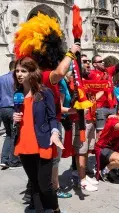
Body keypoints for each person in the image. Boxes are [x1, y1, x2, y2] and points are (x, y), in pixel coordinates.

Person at [13, 13, 81, 201]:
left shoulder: (35, 77)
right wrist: (71, 52)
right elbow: (60, 72)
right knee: (49, 161)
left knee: (38, 162)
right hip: (47, 127)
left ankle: (32, 194)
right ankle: (49, 194)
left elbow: (55, 105)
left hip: (40, 123)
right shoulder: (44, 76)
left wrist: (70, 110)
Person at [12, 57, 64, 213]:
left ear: (32, 72)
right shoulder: (18, 94)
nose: (19, 74)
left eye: (23, 71)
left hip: (43, 142)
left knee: (44, 184)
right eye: (17, 71)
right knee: (34, 183)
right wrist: (15, 118)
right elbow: (19, 116)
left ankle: (55, 209)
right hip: (24, 143)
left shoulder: (44, 92)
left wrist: (55, 133)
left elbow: (52, 117)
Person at [0, 61, 22, 169]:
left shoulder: (1, 78)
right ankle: (13, 160)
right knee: (15, 135)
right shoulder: (17, 79)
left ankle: (4, 159)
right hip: (13, 109)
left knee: (8, 134)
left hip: (3, 108)